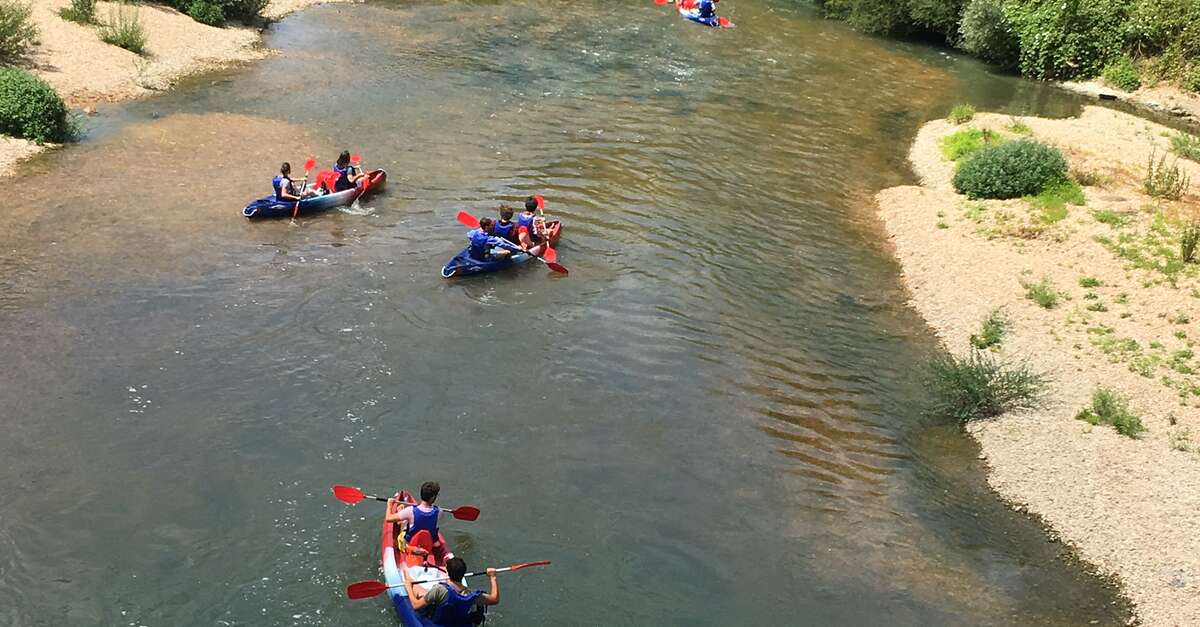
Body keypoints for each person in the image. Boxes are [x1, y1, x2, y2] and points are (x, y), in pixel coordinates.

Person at [403, 556, 499, 627]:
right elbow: (495, 599)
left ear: (447, 573)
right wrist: (493, 577)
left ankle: (407, 575)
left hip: (439, 623)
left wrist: (409, 587)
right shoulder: (472, 595)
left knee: (419, 591)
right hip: (460, 623)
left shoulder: (439, 590)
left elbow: (415, 606)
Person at [387, 481, 453, 561]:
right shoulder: (439, 511)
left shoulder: (410, 510)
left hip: (411, 546)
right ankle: (402, 515)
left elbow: (388, 518)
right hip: (429, 545)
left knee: (406, 522)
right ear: (432, 498)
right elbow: (427, 516)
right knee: (413, 521)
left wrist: (389, 504)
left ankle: (401, 516)